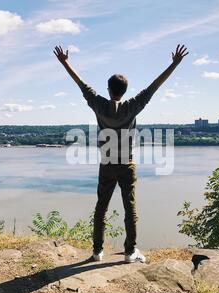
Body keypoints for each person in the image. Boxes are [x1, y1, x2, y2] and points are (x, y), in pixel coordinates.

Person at [54, 44, 189, 263]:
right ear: (124, 91)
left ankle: (97, 252)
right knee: (130, 208)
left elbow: (80, 84)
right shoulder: (132, 106)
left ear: (108, 90)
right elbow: (154, 86)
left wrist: (64, 62)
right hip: (126, 164)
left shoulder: (99, 104)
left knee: (101, 208)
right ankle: (130, 252)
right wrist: (174, 64)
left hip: (107, 164)